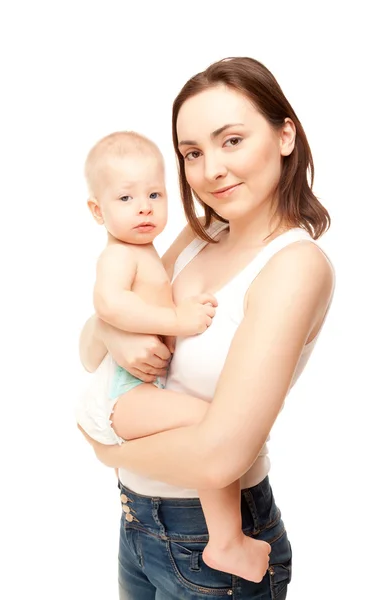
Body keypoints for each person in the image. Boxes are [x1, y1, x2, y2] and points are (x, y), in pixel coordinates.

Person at [78, 57, 335, 599]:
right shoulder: (201, 235)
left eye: (232, 141)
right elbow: (91, 346)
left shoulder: (294, 265)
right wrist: (117, 328)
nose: (210, 169)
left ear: (285, 135)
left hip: (208, 545)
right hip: (138, 523)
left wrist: (105, 447)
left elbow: (221, 455)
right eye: (192, 153)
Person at [76, 129, 271, 583]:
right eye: (125, 198)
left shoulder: (151, 251)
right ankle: (225, 542)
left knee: (211, 427)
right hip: (125, 394)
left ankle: (225, 541)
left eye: (154, 194)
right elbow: (109, 305)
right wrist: (180, 321)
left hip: (143, 391)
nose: (144, 206)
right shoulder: (119, 255)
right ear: (97, 210)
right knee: (209, 421)